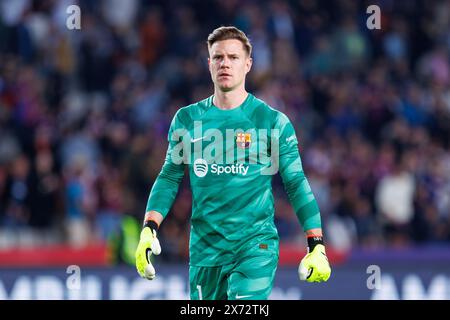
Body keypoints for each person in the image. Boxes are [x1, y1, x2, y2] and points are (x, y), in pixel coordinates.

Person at [135, 26, 331, 300]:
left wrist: (316, 244)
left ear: (248, 64)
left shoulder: (272, 122)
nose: (225, 63)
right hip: (205, 250)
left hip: (255, 246)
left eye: (233, 57)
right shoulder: (188, 120)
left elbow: (296, 183)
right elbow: (169, 177)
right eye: (218, 57)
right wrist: (149, 229)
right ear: (209, 64)